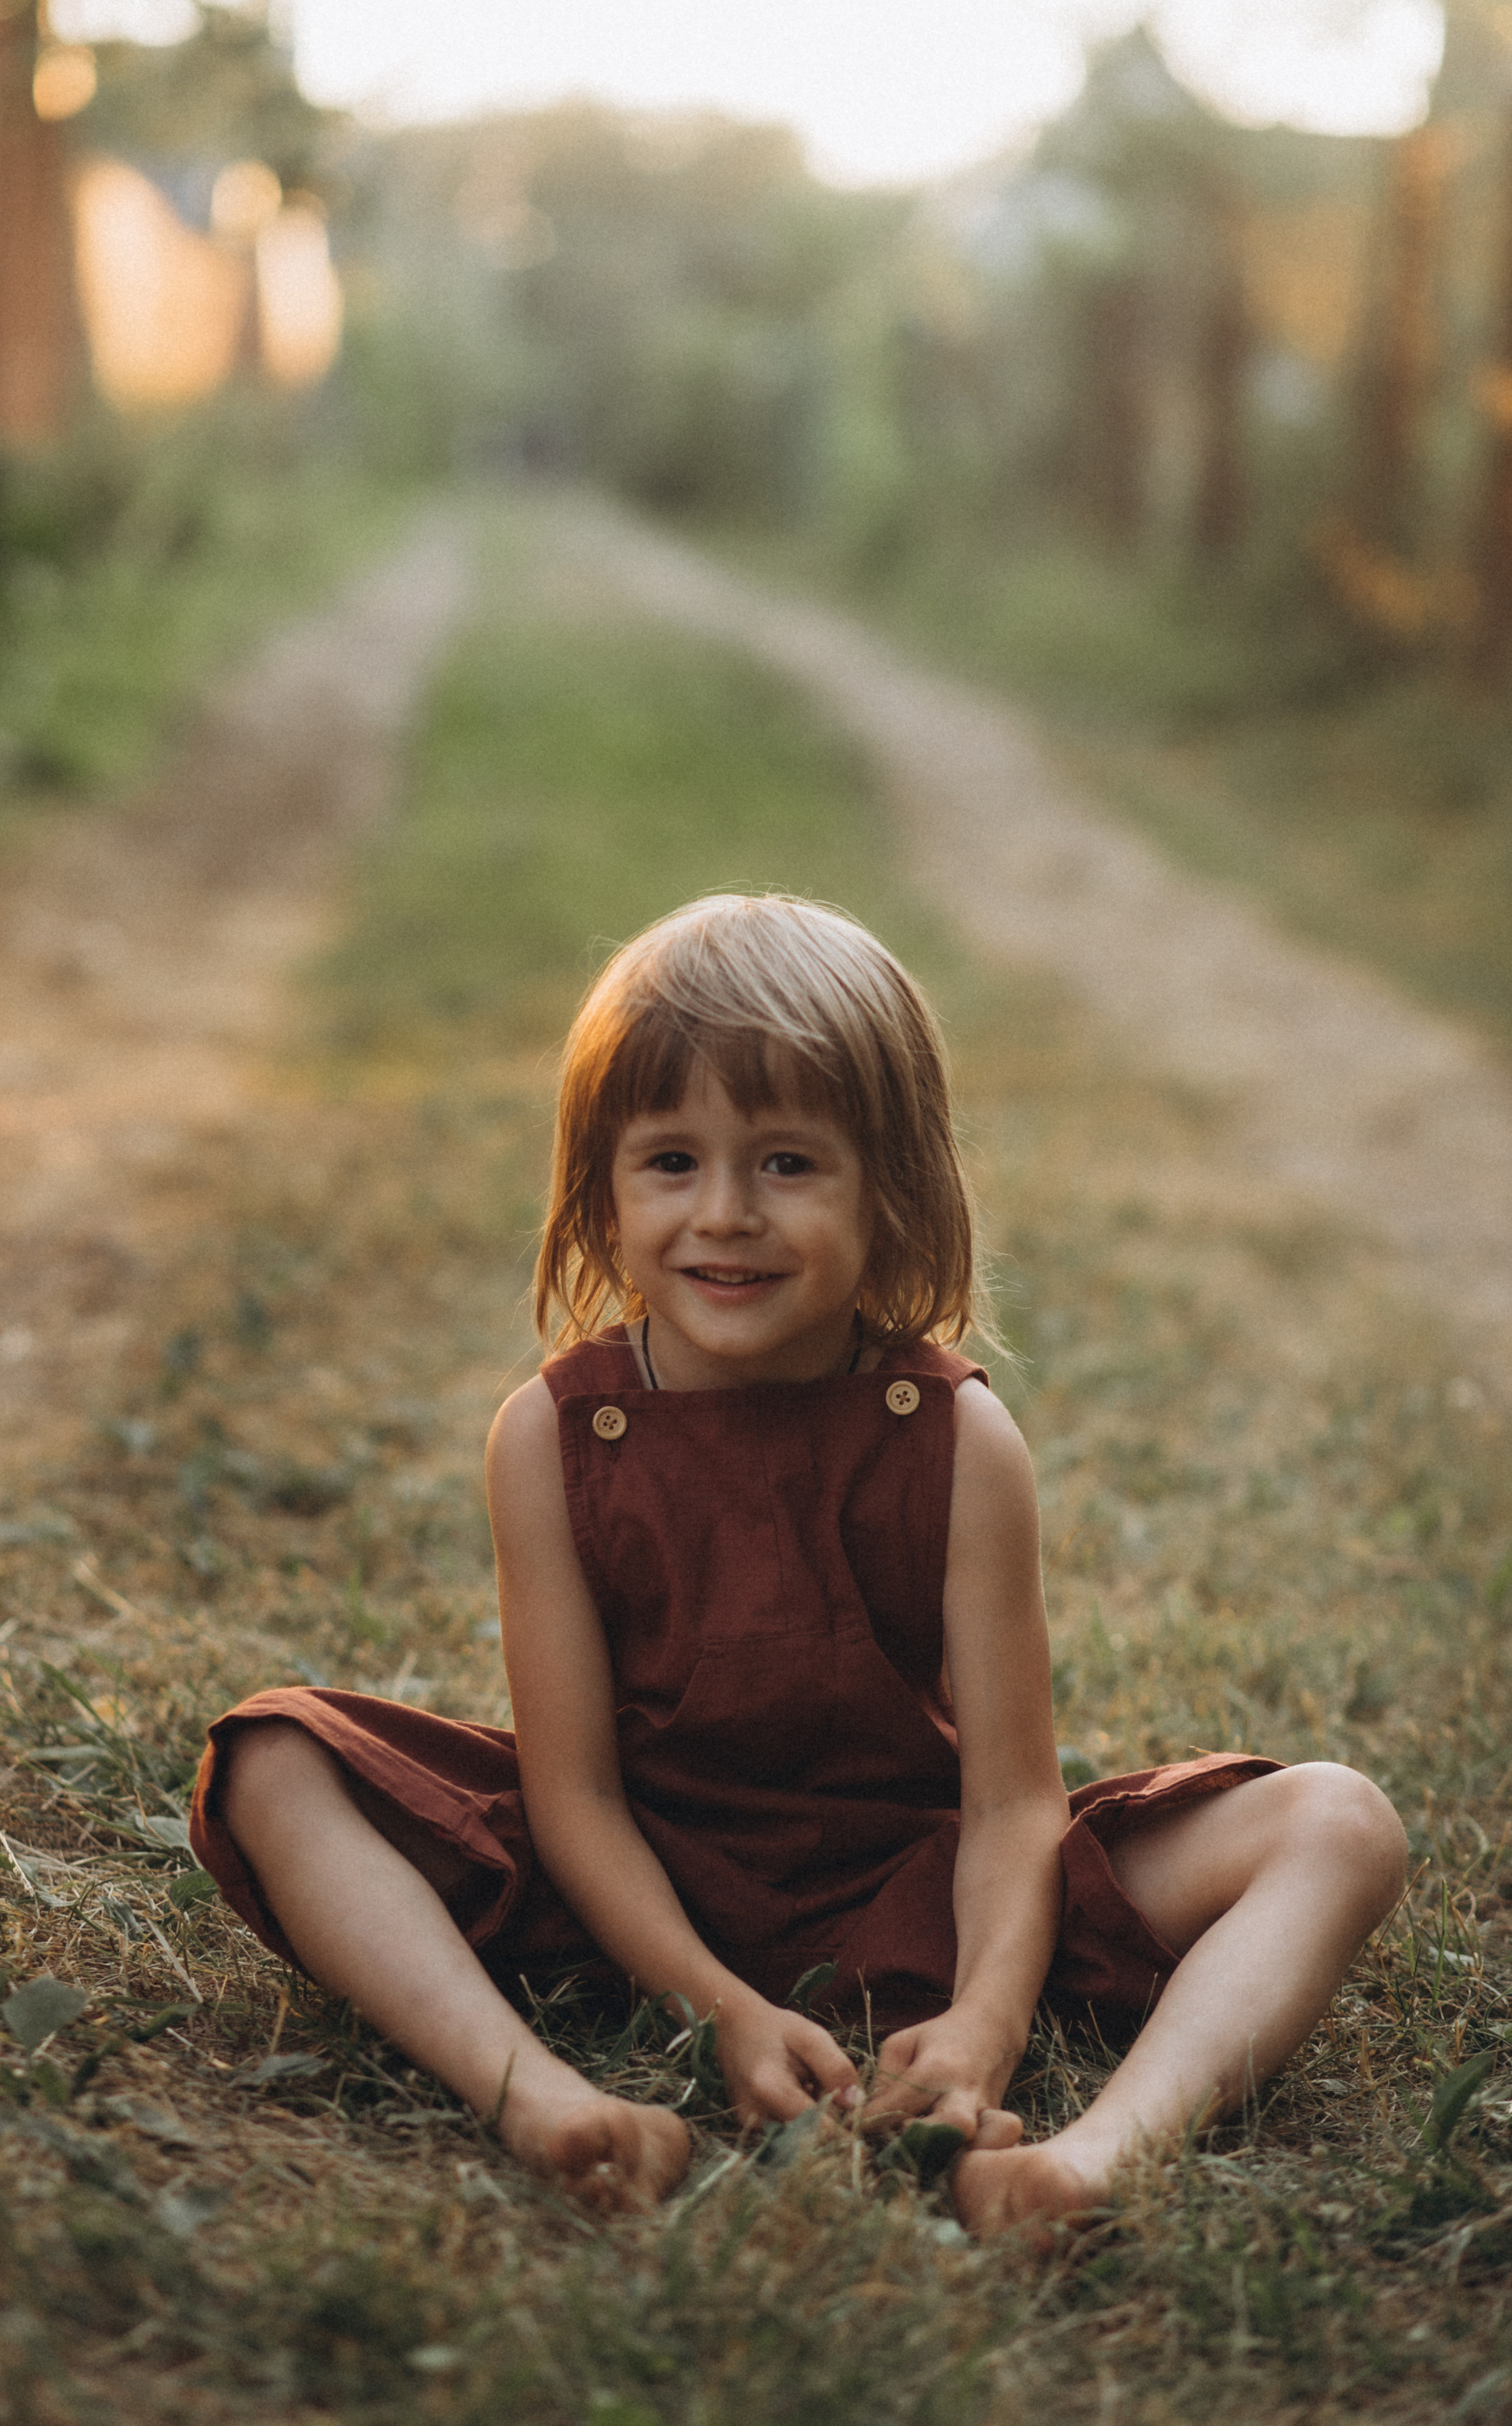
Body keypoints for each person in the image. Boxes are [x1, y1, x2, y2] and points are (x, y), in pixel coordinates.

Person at [190, 893, 1407, 2231]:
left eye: (785, 1163)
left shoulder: (955, 1437)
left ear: (891, 1192)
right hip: (628, 1881)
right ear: (599, 1186)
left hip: (916, 1879)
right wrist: (716, 2008)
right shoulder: (549, 1435)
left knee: (1335, 1821)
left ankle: (1080, 2165)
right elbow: (573, 1795)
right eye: (669, 1161)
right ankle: (543, 2100)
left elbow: (1012, 1805)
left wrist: (985, 2023)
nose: (723, 1216)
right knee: (274, 1758)